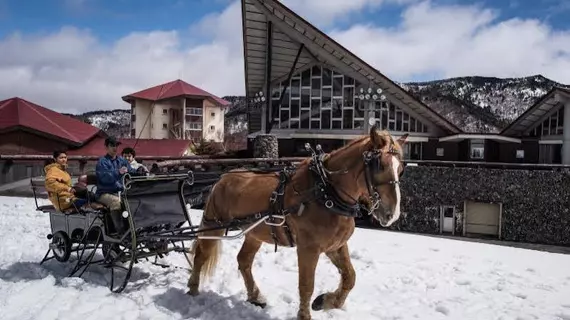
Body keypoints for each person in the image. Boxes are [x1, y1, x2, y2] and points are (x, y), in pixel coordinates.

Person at [95, 136, 136, 233]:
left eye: (116, 145)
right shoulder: (102, 162)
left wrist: (139, 171)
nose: (115, 148)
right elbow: (104, 178)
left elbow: (131, 171)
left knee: (134, 199)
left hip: (120, 192)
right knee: (116, 202)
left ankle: (134, 227)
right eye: (112, 145)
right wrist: (118, 172)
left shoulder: (122, 160)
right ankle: (120, 231)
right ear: (106, 147)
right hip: (104, 193)